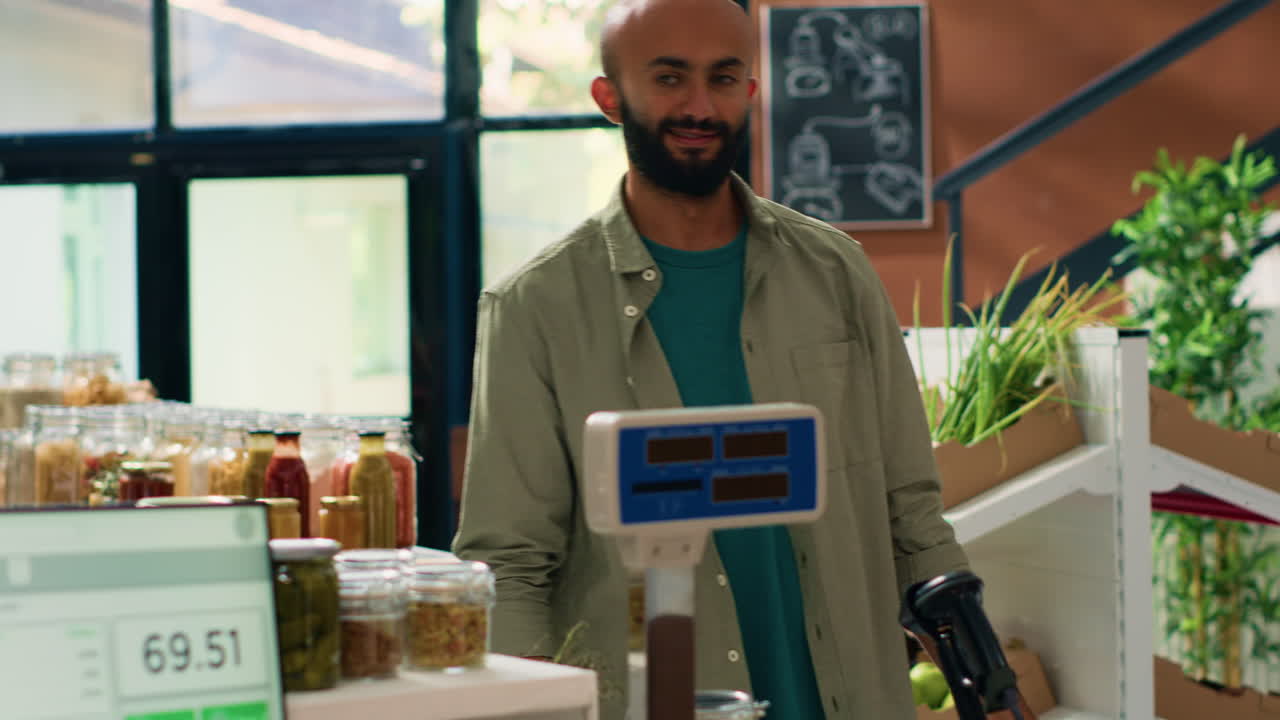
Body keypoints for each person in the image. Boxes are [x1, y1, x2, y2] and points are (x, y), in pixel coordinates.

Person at [452, 0, 969, 717]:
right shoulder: (534, 308)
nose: (700, 106)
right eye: (669, 78)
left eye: (724, 79)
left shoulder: (836, 273)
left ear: (750, 93)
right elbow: (510, 563)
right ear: (610, 97)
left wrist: (984, 679)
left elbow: (911, 511)